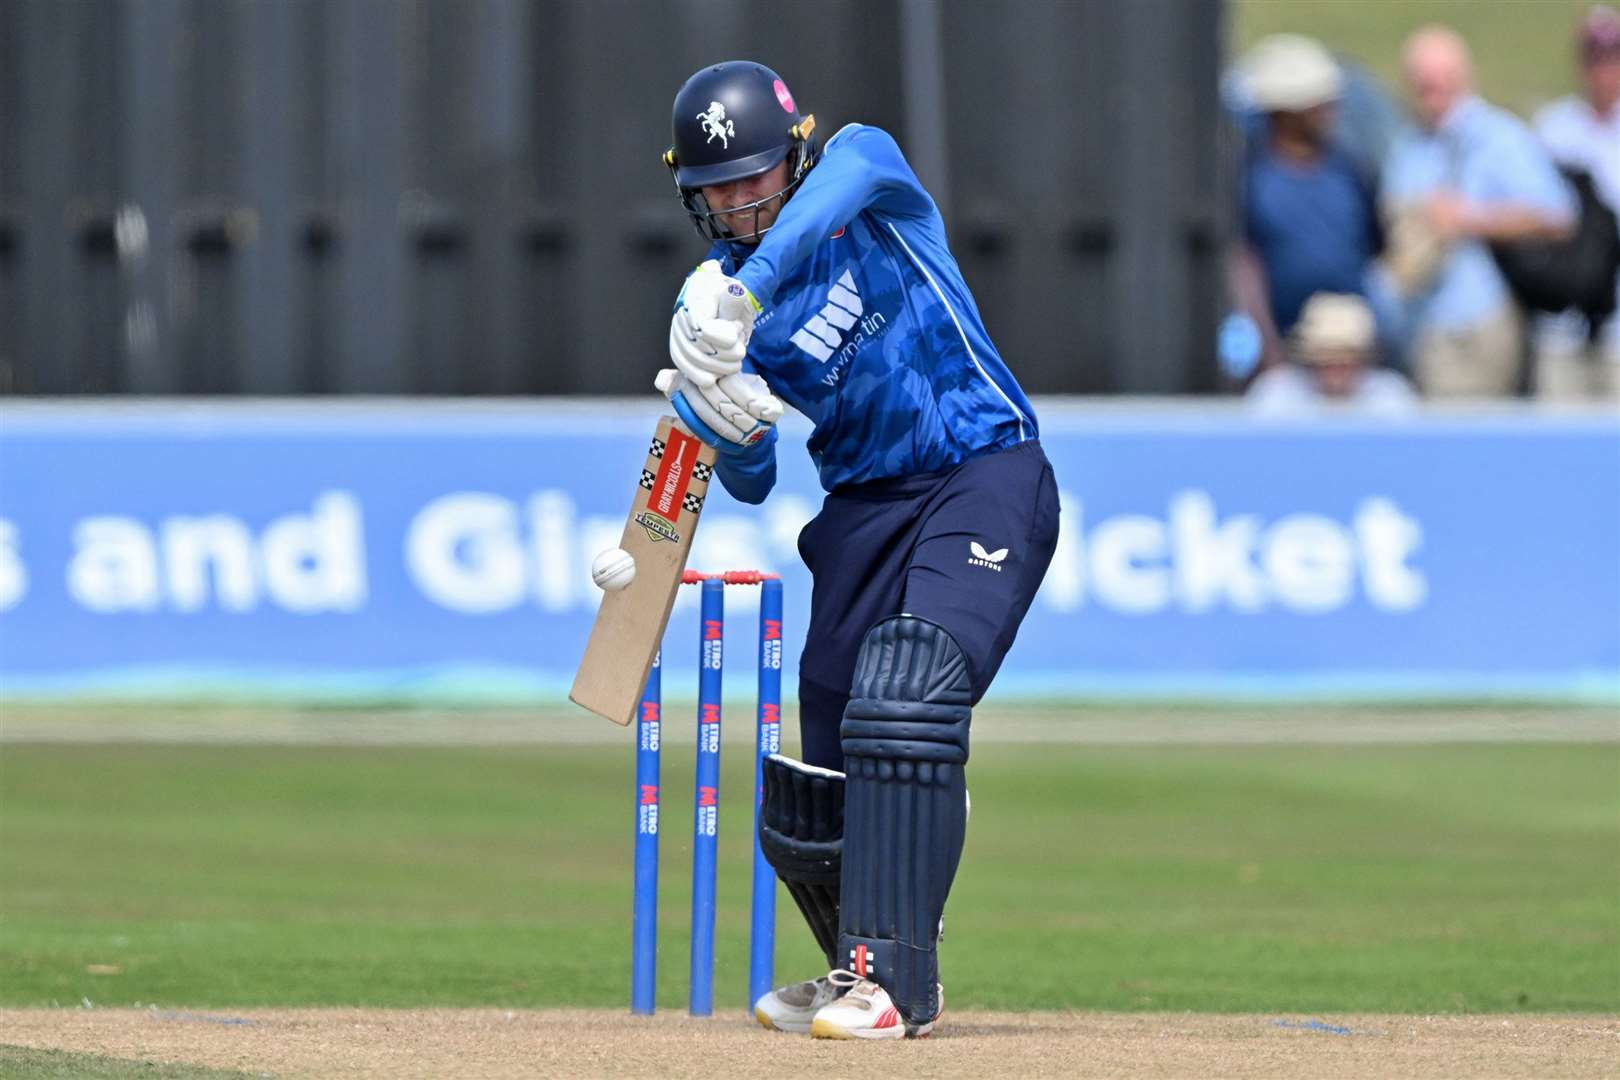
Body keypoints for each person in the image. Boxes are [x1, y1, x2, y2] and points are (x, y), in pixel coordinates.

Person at [654, 61, 1059, 1040]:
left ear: (793, 157)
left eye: (756, 177)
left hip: (981, 466)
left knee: (907, 687)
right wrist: (730, 424)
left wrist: (744, 300)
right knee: (829, 748)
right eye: (719, 189)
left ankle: (900, 987)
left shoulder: (861, 171)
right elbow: (750, 482)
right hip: (861, 509)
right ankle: (853, 970)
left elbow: (829, 198)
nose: (742, 202)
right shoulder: (707, 303)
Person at [1380, 25, 1575, 398]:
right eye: (1422, 83)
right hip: (1420, 321)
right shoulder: (1409, 145)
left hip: (1477, 321)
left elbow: (1556, 215)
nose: (1430, 92)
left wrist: (1469, 218)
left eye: (1440, 81)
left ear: (1462, 78)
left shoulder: (1497, 137)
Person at [1232, 35, 1385, 364]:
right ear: (1289, 111)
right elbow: (1244, 263)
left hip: (1347, 345)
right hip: (1278, 347)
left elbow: (1376, 247)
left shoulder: (1350, 170)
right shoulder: (1252, 178)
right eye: (1320, 105)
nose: (1330, 112)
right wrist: (1265, 346)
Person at [1533, 5, 1620, 400]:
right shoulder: (1553, 129)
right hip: (1563, 322)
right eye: (1595, 58)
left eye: (1612, 57)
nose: (1604, 70)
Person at [1246, 292, 1418, 414]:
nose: (1336, 369)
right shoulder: (1276, 394)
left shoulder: (1391, 398)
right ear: (1309, 358)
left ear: (1364, 360)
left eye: (1346, 359)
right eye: (1326, 359)